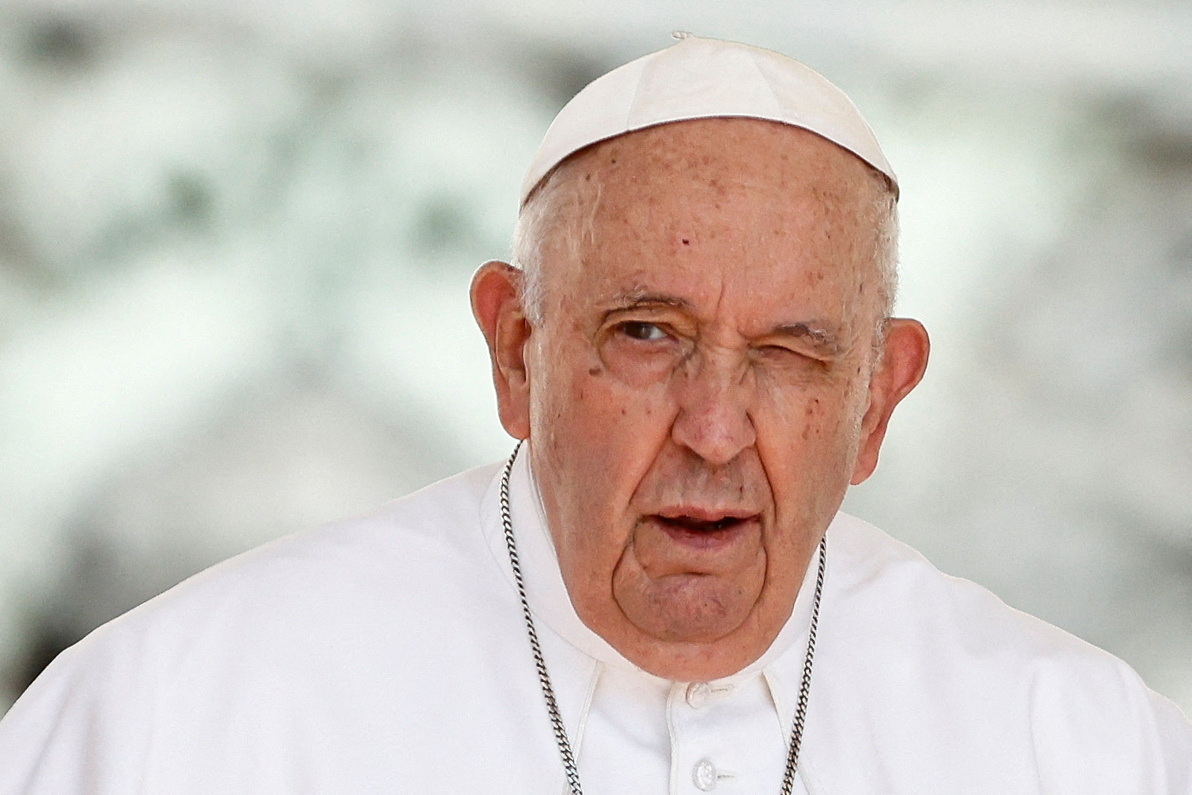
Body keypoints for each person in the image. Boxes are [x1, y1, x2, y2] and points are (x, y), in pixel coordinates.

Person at [1, 34, 1189, 794]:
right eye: (647, 337)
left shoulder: (1071, 745)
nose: (714, 431)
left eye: (787, 355)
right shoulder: (177, 715)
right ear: (516, 351)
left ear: (878, 400)